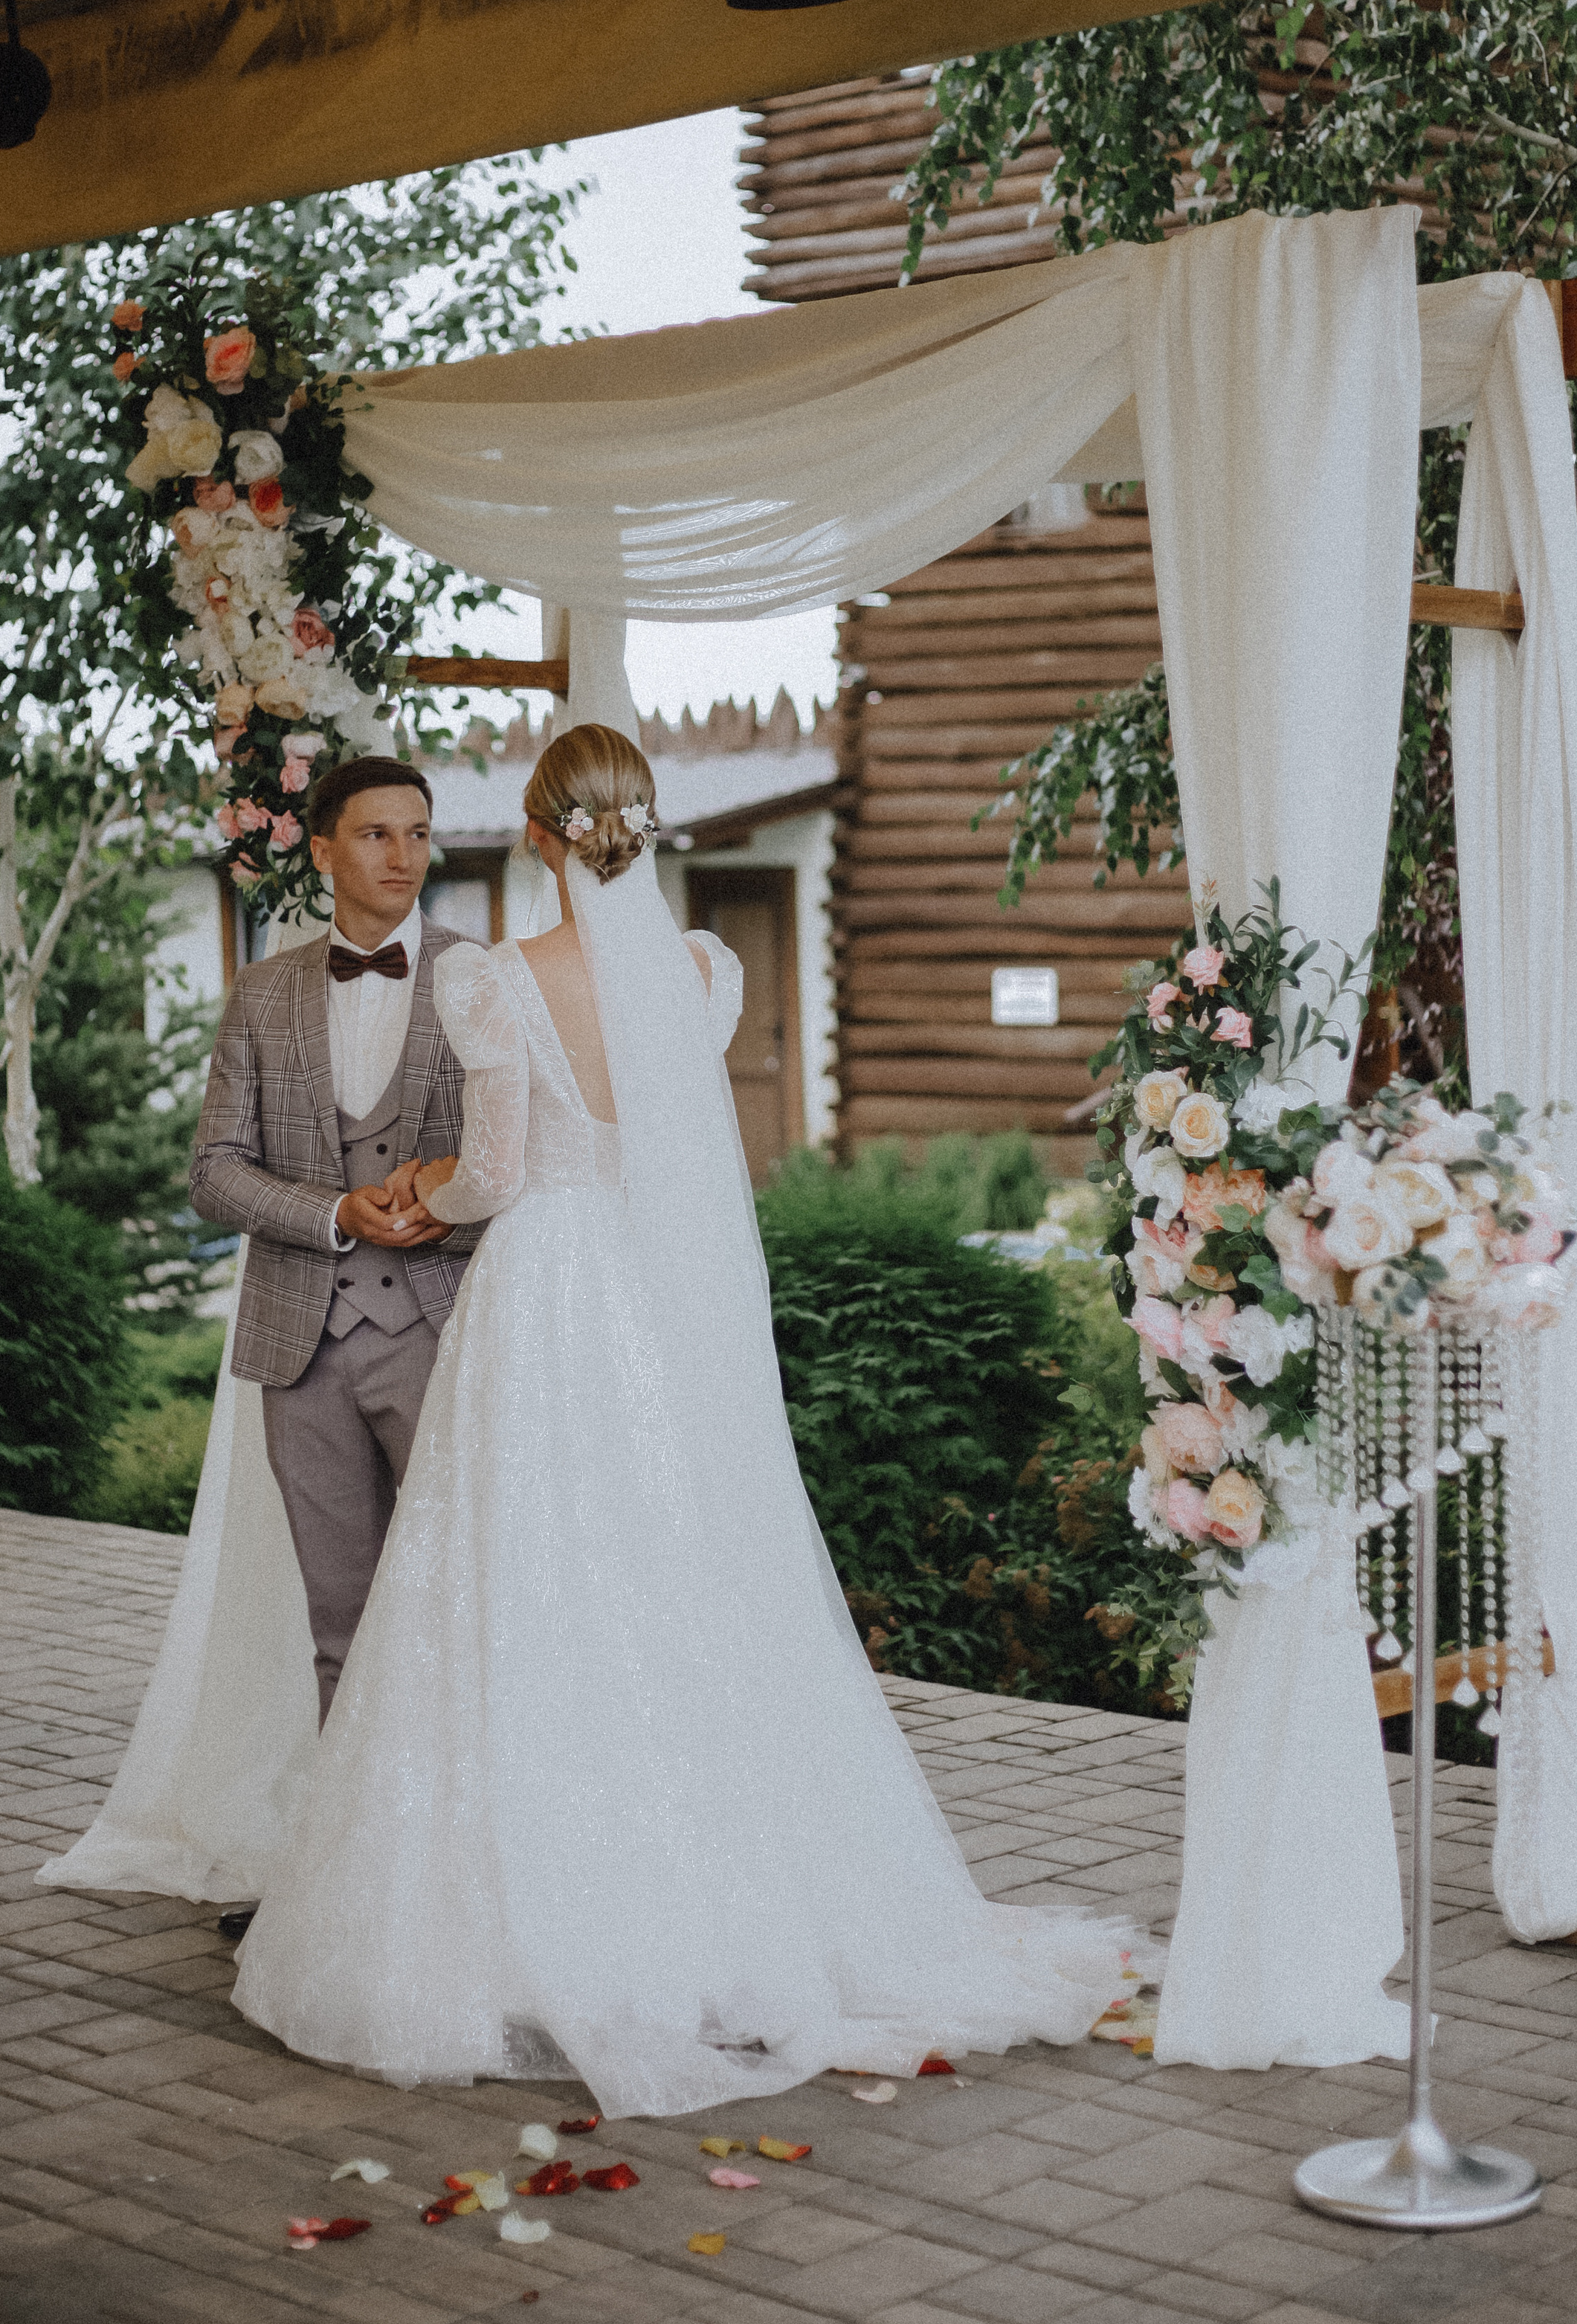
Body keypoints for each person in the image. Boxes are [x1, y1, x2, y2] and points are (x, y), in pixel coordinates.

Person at [231, 724, 1150, 2117]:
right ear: (641, 832)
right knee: (675, 1584)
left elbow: (496, 1176)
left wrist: (426, 1183)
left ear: (539, 834)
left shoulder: (492, 982)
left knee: (537, 1592)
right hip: (659, 1309)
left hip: (548, 1299)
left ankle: (536, 1911)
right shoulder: (706, 974)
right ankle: (716, 1901)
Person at [189, 758, 487, 1740]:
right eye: (376, 834)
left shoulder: (485, 981)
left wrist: (448, 1205)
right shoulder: (263, 993)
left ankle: (462, 1826)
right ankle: (348, 1834)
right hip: (302, 1350)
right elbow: (214, 1174)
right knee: (340, 1625)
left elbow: (531, 1161)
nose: (404, 856)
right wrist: (333, 1213)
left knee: (464, 1611)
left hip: (445, 1337)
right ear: (322, 852)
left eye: (418, 833)